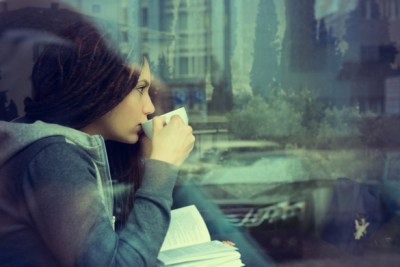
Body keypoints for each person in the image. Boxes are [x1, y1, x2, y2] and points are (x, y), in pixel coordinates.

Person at [0, 14, 195, 267]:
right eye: (140, 89)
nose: (149, 107)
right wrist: (162, 168)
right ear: (98, 84)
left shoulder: (67, 149)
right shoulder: (53, 155)